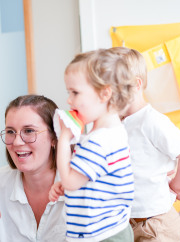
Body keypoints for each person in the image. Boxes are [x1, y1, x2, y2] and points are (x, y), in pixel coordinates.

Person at [49, 49, 135, 241]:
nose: (69, 100)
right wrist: (67, 182)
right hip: (113, 229)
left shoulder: (98, 141)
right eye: (69, 92)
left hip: (101, 235)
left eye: (75, 92)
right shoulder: (114, 132)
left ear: (104, 93)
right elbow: (91, 177)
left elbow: (72, 182)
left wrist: (64, 137)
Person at [116, 46, 180, 241]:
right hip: (128, 221)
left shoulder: (151, 120)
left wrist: (178, 186)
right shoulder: (116, 123)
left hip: (157, 223)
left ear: (136, 85)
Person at [0, 95, 67, 242]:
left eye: (28, 131)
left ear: (54, 136)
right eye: (10, 132)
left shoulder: (78, 185)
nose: (17, 142)